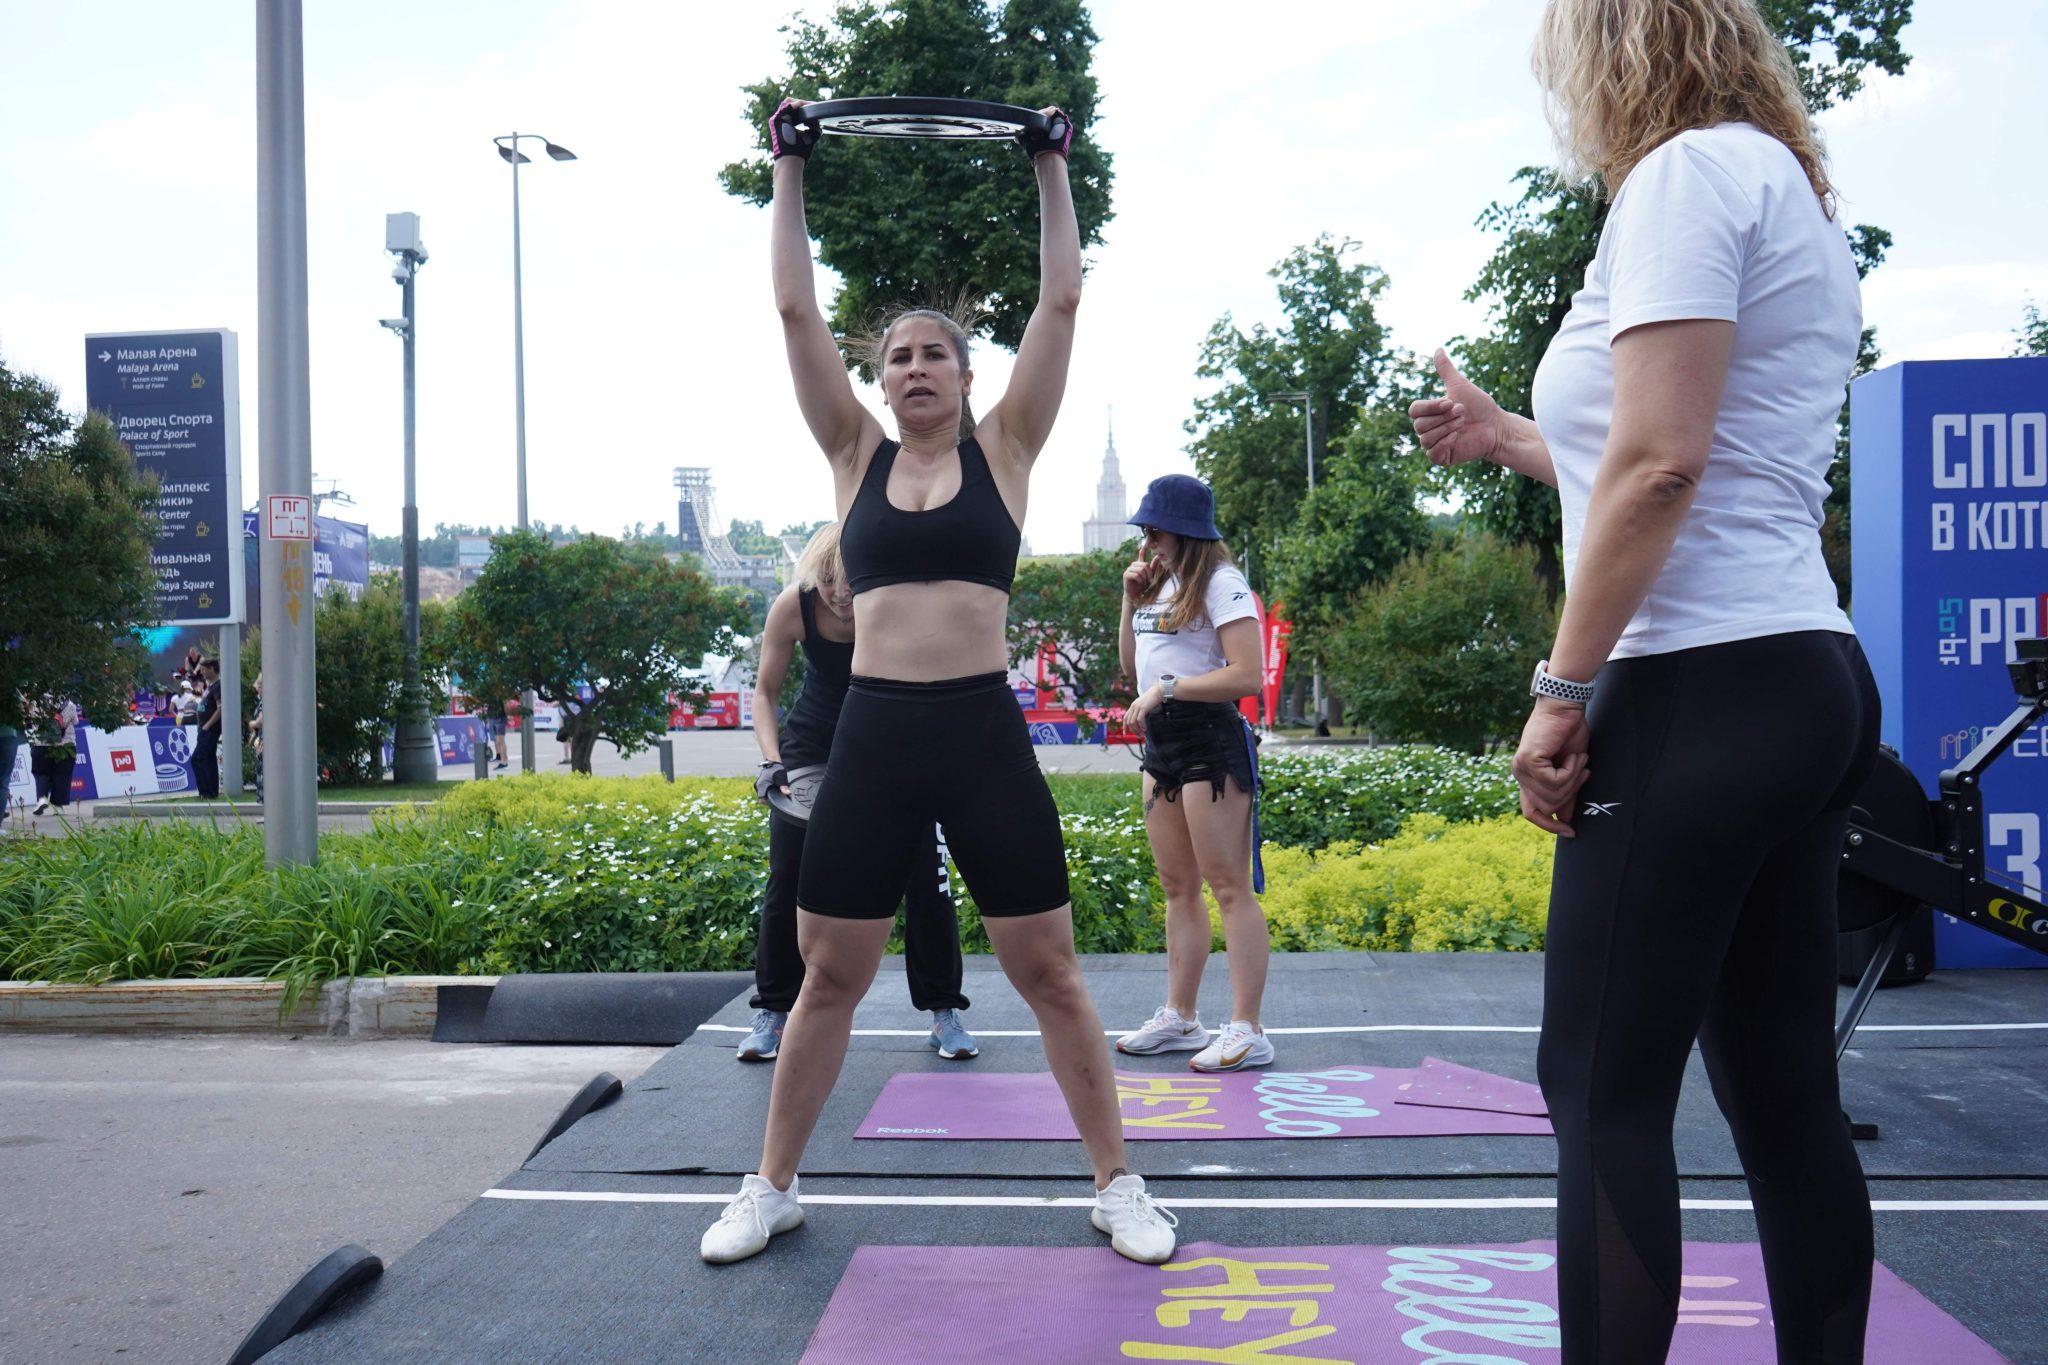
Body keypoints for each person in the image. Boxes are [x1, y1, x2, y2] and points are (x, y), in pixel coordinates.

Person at [1409, 1, 1876, 1357]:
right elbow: (1686, 464)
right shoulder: (1782, 184)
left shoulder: (1681, 177)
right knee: (1784, 1094)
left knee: (1602, 1090)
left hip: (1698, 689)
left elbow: (1663, 468)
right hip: (1807, 681)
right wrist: (1509, 438)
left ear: (1610, 50)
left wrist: (1563, 688)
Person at [700, 98, 1178, 1268]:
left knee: (1047, 969)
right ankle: (771, 1184)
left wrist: (1048, 165)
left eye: (934, 354)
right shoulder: (851, 454)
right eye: (896, 356)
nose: (914, 367)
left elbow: (1060, 298)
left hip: (976, 730)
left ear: (968, 375)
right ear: (878, 381)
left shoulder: (1004, 451)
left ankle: (1118, 1183)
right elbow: (791, 306)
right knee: (830, 972)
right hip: (870, 734)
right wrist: (787, 169)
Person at [739, 522, 978, 1064]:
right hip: (810, 753)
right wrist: (771, 761)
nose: (839, 594)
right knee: (788, 882)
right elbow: (763, 694)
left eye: (849, 582)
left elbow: (936, 681)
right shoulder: (793, 607)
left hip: (891, 745)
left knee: (928, 878)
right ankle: (773, 1012)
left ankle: (945, 1011)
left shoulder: (891, 606)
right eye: (827, 581)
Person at [1112, 476, 1272, 1072]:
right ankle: (1181, 1016)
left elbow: (1247, 675)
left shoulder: (1223, 583)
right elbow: (1132, 669)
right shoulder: (1161, 584)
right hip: (1163, 746)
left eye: (1154, 531)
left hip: (1209, 741)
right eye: (1145, 532)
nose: (1148, 541)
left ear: (1182, 531)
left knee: (1229, 886)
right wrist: (1131, 599)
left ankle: (1248, 1028)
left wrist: (1168, 689)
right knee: (1177, 887)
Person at [192, 660, 223, 799]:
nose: (202, 673)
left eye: (204, 670)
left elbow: (220, 708)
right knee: (209, 759)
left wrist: (207, 725)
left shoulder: (218, 687)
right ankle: (211, 792)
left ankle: (205, 791)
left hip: (209, 730)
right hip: (203, 729)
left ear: (212, 668)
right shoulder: (210, 687)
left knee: (197, 758)